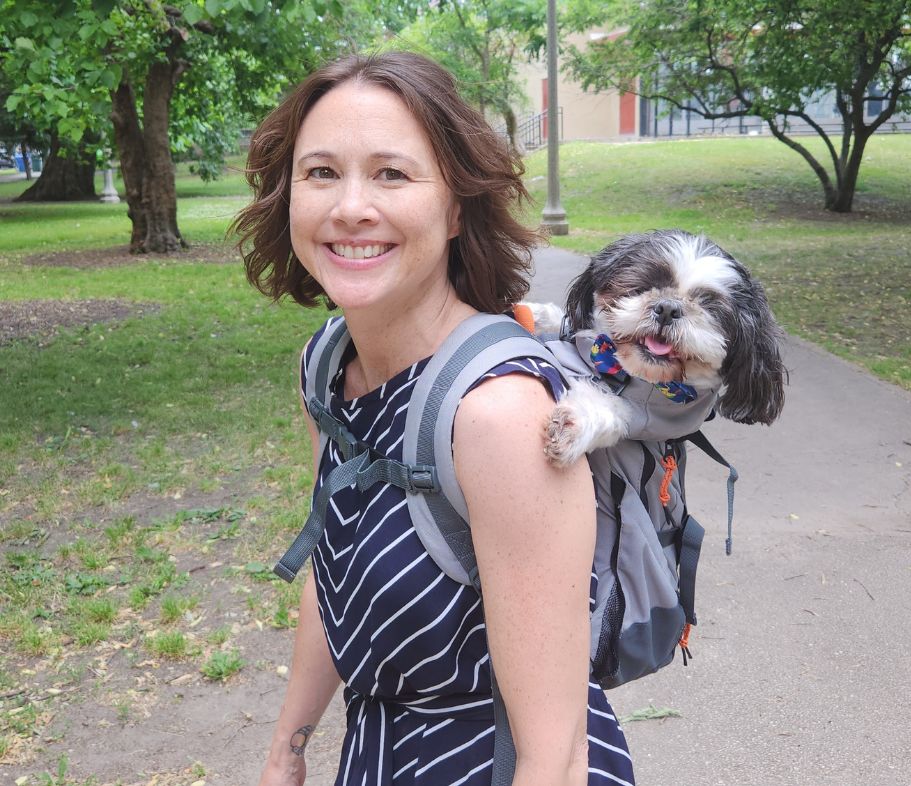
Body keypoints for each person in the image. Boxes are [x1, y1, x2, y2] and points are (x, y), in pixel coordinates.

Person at [233, 51, 636, 786]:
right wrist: (287, 749)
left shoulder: (500, 416)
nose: (350, 206)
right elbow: (336, 565)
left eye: (392, 173)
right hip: (377, 757)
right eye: (321, 172)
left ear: (456, 207)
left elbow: (560, 753)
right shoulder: (328, 367)